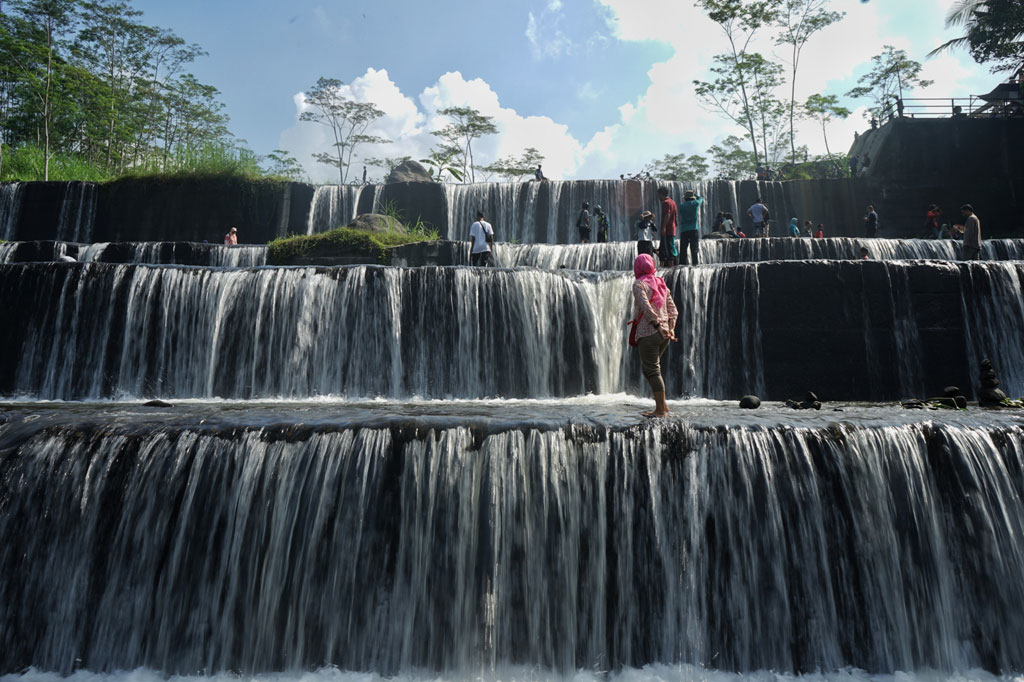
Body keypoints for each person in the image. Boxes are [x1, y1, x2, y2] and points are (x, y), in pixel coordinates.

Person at [628, 253, 678, 418]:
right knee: (649, 368)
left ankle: (660, 410)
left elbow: (645, 307)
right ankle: (663, 405)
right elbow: (673, 310)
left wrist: (656, 325)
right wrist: (670, 328)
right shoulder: (660, 283)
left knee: (652, 370)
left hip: (649, 332)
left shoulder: (639, 285)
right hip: (664, 334)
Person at [677, 189, 703, 265]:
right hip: (694, 229)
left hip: (684, 230)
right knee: (694, 248)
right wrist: (695, 195)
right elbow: (701, 198)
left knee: (683, 249)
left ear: (685, 198)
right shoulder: (695, 204)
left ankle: (682, 265)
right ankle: (695, 264)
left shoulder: (681, 206)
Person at [657, 187, 678, 267]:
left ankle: (669, 266)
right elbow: (675, 216)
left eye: (658, 195)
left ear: (661, 194)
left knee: (666, 249)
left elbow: (667, 214)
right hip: (672, 229)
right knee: (667, 247)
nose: (658, 197)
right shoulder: (673, 202)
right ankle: (668, 265)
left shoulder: (665, 203)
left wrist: (664, 227)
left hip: (667, 230)